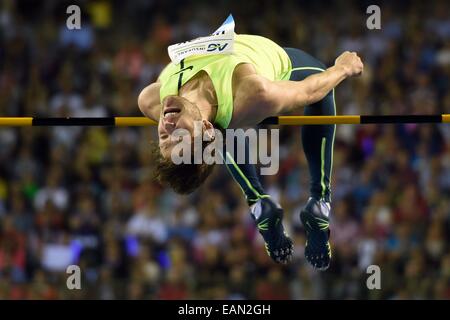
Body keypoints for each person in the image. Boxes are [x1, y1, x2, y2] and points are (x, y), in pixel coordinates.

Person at [138, 22, 363, 269]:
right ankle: (320, 198)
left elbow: (197, 133)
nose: (168, 126)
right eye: (179, 136)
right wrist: (343, 68)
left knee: (224, 127)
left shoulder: (151, 100)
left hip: (227, 109)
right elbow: (309, 91)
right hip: (268, 70)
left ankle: (257, 201)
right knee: (322, 82)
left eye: (164, 138)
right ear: (206, 127)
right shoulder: (253, 92)